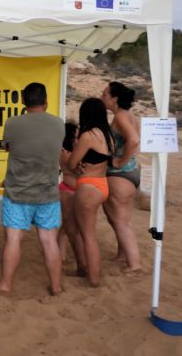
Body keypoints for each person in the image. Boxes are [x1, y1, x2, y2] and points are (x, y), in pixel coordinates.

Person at [0, 82, 65, 296]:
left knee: (13, 239)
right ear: (46, 101)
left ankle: (5, 286)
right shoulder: (59, 124)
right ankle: (56, 287)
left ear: (23, 101)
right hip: (48, 194)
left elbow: (8, 146)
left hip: (17, 193)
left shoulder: (13, 123)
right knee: (49, 240)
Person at [68, 97, 115, 287]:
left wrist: (76, 164)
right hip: (102, 184)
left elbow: (71, 164)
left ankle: (93, 278)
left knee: (88, 235)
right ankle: (82, 268)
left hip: (88, 187)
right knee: (71, 227)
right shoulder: (107, 134)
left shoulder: (88, 136)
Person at [101, 82, 141, 272]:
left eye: (105, 94)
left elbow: (134, 140)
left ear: (114, 98)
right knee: (117, 218)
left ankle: (134, 264)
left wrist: (119, 162)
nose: (103, 97)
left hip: (120, 175)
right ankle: (122, 254)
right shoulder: (129, 116)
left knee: (120, 221)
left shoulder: (120, 117)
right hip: (130, 172)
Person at [58, 122, 83, 270]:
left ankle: (61, 255)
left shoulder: (70, 151)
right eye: (76, 135)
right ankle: (60, 256)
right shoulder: (65, 153)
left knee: (67, 227)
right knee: (67, 226)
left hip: (70, 190)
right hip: (68, 190)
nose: (78, 138)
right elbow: (76, 169)